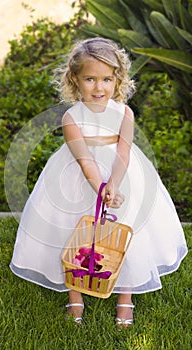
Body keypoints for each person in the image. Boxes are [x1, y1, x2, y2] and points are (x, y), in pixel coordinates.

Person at [10, 37, 188, 327]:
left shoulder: (124, 113)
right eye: (90, 79)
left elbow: (123, 152)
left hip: (122, 175)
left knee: (128, 232)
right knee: (72, 232)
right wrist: (100, 188)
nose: (99, 87)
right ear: (75, 79)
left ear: (117, 79)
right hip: (76, 178)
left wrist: (115, 184)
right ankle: (76, 295)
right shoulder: (71, 118)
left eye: (106, 79)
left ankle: (125, 298)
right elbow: (84, 160)